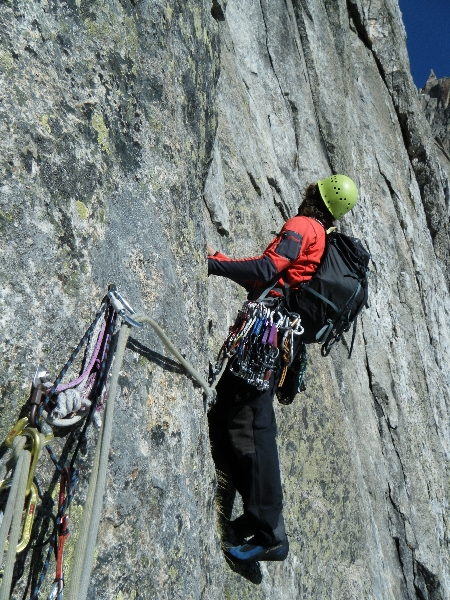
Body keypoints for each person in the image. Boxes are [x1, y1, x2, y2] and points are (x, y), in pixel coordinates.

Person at [207, 175, 358, 564]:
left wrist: (215, 263)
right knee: (234, 412)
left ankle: (270, 532)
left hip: (267, 334)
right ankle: (253, 517)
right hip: (276, 336)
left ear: (314, 194)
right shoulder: (321, 234)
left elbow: (266, 266)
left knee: (252, 425)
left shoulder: (302, 226)